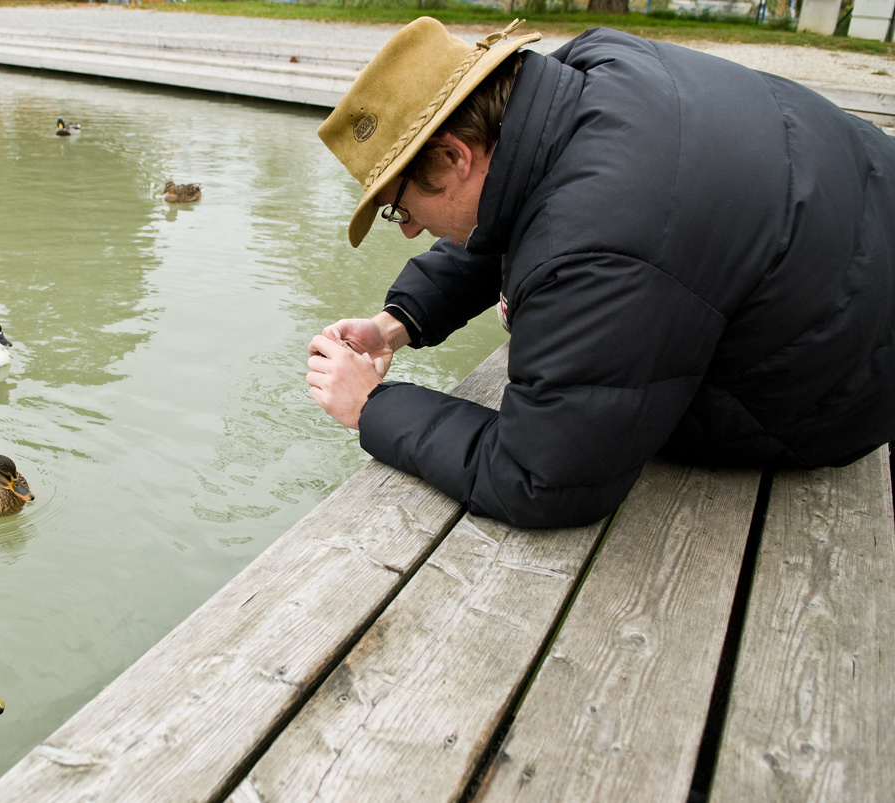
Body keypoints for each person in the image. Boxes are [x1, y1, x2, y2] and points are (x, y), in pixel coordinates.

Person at [306, 17, 895, 528]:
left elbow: (539, 478)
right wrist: (396, 323)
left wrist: (372, 406)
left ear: (456, 155)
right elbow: (516, 205)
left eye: (400, 207)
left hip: (845, 394)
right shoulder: (595, 67)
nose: (408, 229)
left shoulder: (601, 244)